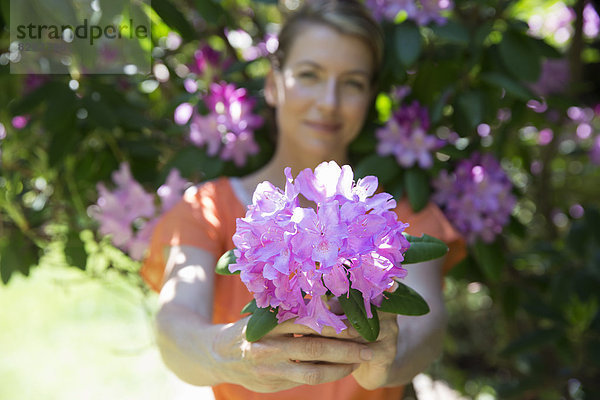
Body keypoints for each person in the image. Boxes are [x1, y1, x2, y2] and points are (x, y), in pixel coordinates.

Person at [141, 1, 466, 399]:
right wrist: (226, 354)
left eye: (352, 82)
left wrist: (388, 359)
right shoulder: (206, 210)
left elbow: (427, 331)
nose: (329, 101)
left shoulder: (398, 215)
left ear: (369, 97)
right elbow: (174, 325)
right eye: (309, 74)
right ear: (274, 84)